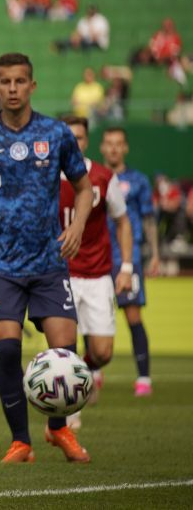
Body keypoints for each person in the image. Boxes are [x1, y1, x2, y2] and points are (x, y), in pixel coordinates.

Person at [0, 52, 94, 464]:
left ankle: (58, 430)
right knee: (8, 350)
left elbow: (83, 187)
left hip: (49, 260)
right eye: (5, 82)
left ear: (33, 85)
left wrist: (78, 225)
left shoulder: (57, 132)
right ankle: (20, 441)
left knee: (66, 354)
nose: (13, 88)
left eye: (20, 81)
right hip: (2, 264)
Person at [57, 116, 133, 431]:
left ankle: (84, 373)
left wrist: (126, 266)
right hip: (61, 274)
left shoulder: (102, 177)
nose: (75, 142)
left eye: (80, 137)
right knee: (65, 345)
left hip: (99, 275)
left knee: (102, 352)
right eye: (69, 137)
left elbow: (123, 221)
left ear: (87, 141)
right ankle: (68, 409)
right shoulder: (46, 176)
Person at [100, 127, 159, 397]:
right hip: (98, 258)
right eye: (109, 144)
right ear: (102, 147)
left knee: (133, 316)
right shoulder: (94, 177)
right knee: (93, 318)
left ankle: (144, 377)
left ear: (125, 148)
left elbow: (148, 218)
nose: (113, 148)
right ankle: (93, 374)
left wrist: (155, 254)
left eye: (118, 144)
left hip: (127, 258)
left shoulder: (137, 180)